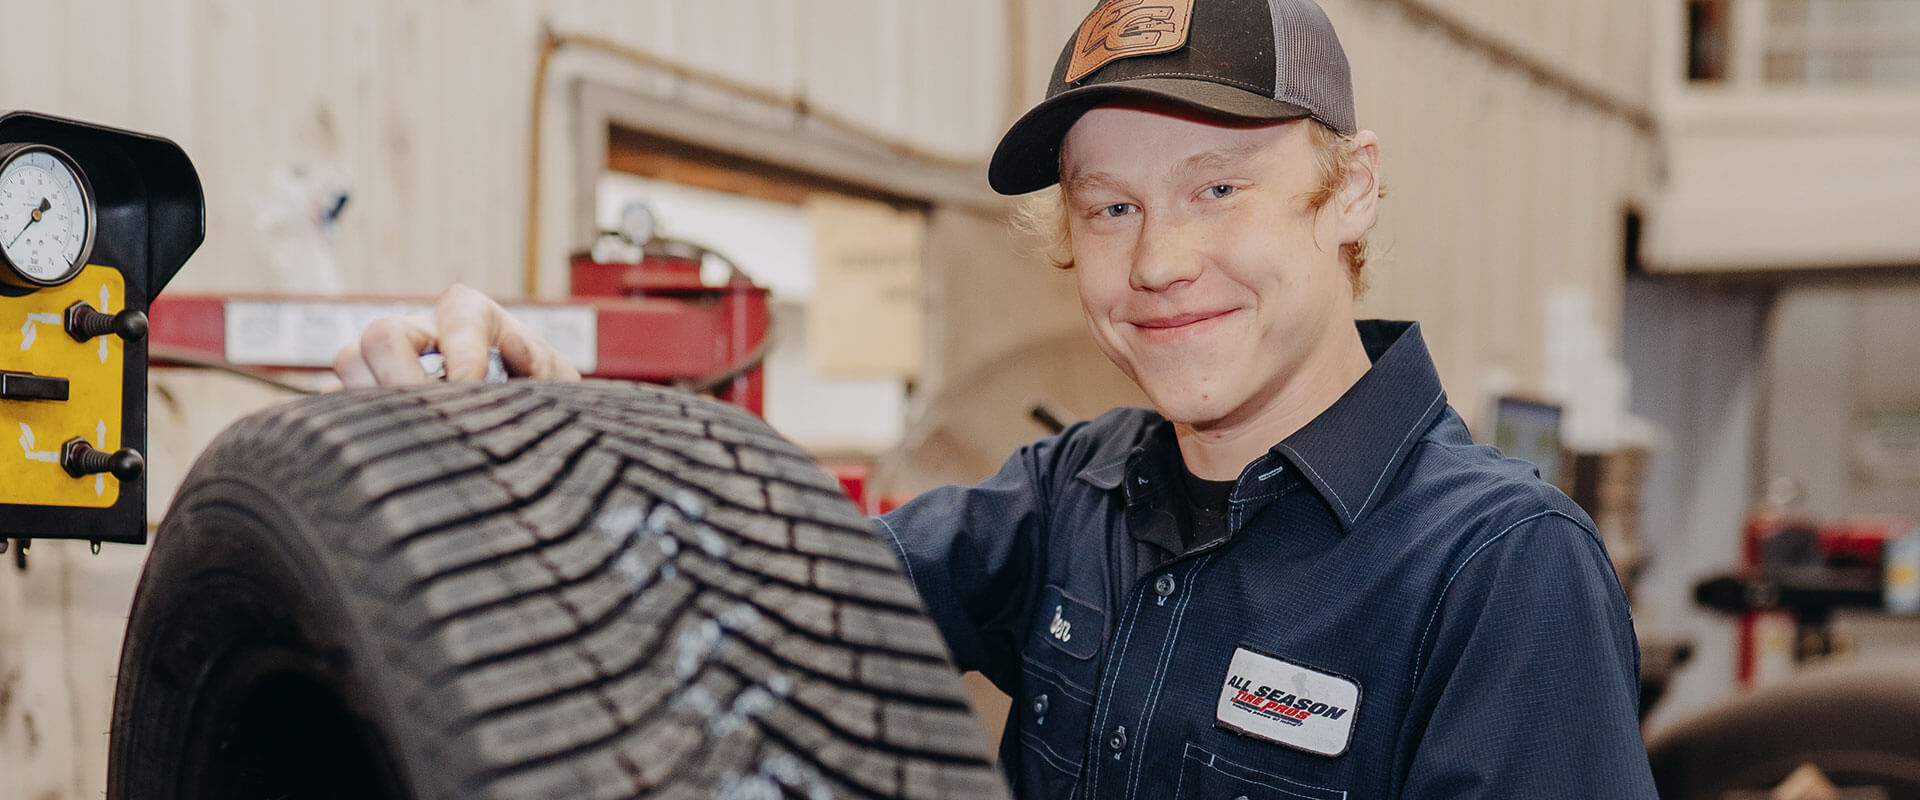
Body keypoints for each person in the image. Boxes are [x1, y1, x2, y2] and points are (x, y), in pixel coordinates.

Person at [338, 0, 1658, 796]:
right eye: (1111, 207)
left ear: (1350, 188)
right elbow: (752, 587)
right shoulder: (1072, 500)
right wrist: (537, 427)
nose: (1158, 262)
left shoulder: (1499, 575)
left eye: (1217, 188)